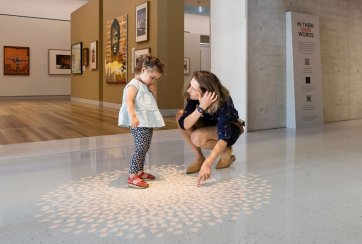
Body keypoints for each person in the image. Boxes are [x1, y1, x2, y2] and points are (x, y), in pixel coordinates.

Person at [176, 71, 244, 187]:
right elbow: (184, 124)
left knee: (197, 137)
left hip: (231, 128)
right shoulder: (194, 97)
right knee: (180, 116)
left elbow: (224, 135)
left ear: (205, 92)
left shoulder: (224, 101)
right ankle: (199, 158)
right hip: (209, 125)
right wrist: (201, 107)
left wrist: (208, 163)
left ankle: (225, 150)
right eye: (190, 86)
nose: (188, 90)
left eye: (192, 88)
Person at [118, 55, 165, 189]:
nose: (153, 81)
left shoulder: (145, 85)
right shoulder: (133, 85)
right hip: (138, 122)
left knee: (145, 147)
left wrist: (154, 91)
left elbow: (150, 103)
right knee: (140, 148)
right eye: (152, 77)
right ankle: (132, 176)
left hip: (146, 122)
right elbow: (129, 101)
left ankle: (139, 171)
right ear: (143, 70)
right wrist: (133, 117)